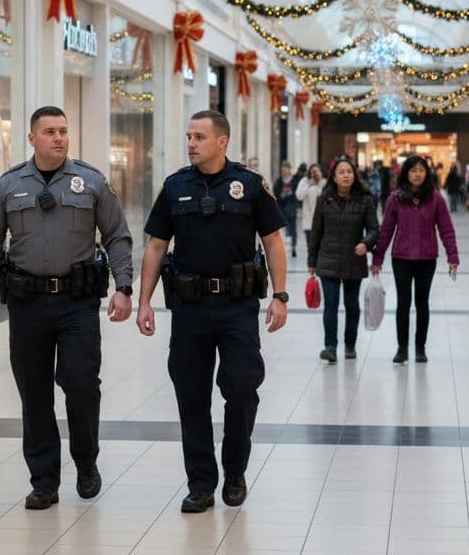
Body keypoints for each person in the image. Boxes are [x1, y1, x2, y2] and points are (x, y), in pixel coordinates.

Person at [0, 106, 134, 510]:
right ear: (32, 139)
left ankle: (86, 463)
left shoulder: (91, 182)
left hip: (77, 305)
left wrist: (124, 286)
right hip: (27, 306)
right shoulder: (8, 186)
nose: (58, 138)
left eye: (63, 130)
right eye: (49, 132)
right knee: (35, 395)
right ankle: (44, 481)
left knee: (80, 386)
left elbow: (117, 236)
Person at [136, 110, 289, 514]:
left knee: (241, 388)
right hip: (189, 308)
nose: (191, 143)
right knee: (191, 395)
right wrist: (144, 301)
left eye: (199, 137)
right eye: (188, 136)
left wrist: (281, 295)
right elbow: (155, 245)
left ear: (222, 141)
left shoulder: (251, 186)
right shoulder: (174, 187)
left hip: (237, 307)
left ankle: (235, 471)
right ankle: (200, 484)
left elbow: (272, 241)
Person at [372, 155, 459, 364]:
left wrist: (452, 256)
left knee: (422, 303)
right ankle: (402, 348)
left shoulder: (436, 198)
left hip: (427, 258)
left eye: (421, 170)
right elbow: (386, 230)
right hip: (401, 257)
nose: (417, 174)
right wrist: (378, 258)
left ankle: (420, 348)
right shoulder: (395, 198)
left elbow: (446, 229)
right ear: (406, 174)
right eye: (413, 170)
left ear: (427, 173)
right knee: (403, 302)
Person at [307, 157, 380, 362]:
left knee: (351, 305)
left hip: (353, 259)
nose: (346, 175)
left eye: (349, 171)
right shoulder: (324, 199)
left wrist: (366, 243)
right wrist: (311, 262)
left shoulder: (365, 199)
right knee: (330, 304)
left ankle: (350, 344)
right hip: (328, 258)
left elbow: (375, 229)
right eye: (341, 172)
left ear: (355, 175)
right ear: (335, 177)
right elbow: (316, 232)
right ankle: (330, 346)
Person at [296, 162, 326, 257]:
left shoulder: (325, 182)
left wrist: (318, 185)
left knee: (322, 246)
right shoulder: (305, 181)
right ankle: (312, 266)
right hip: (309, 222)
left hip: (323, 221)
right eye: (313, 172)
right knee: (311, 247)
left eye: (317, 171)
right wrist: (309, 184)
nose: (315, 174)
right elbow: (299, 196)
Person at [274, 161, 301, 259]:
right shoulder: (279, 181)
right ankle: (286, 247)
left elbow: (298, 195)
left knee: (293, 229)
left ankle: (293, 247)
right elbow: (275, 194)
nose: (284, 171)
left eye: (286, 169)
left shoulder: (294, 180)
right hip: (282, 208)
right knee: (284, 229)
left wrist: (298, 208)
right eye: (282, 169)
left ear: (289, 169)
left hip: (292, 208)